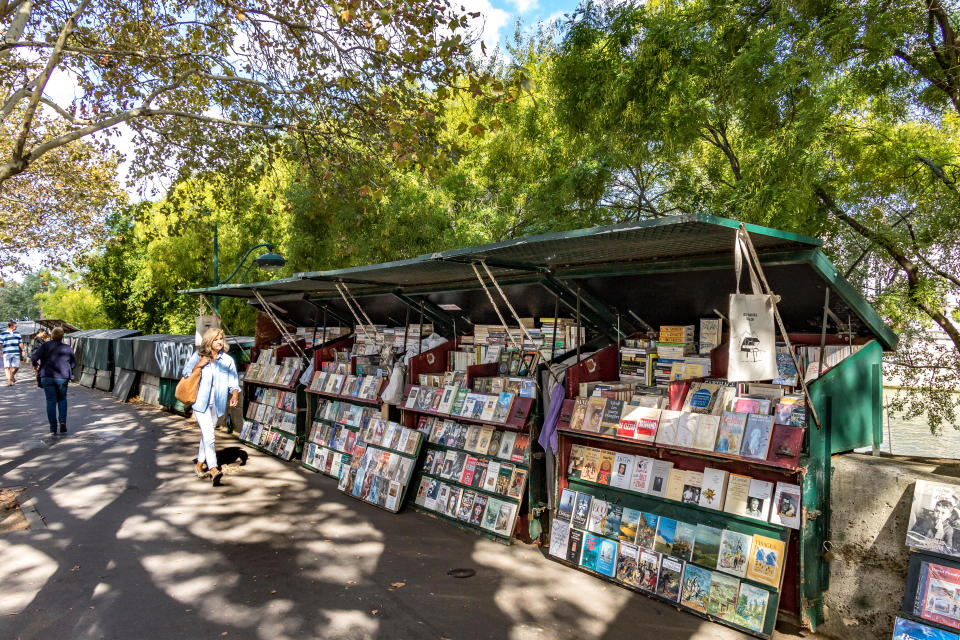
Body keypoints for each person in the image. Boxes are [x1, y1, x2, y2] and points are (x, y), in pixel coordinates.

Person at [181, 328, 239, 486]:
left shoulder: (227, 360)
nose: (220, 341)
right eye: (216, 339)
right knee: (209, 436)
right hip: (200, 402)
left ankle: (199, 465)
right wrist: (199, 365)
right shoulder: (198, 356)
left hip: (218, 403)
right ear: (209, 342)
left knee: (207, 436)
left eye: (221, 338)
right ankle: (213, 469)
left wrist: (234, 395)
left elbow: (234, 381)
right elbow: (186, 373)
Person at [30, 327, 76, 435]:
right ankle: (63, 422)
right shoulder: (67, 348)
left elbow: (34, 357)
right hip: (62, 377)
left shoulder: (45, 345)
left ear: (52, 336)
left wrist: (36, 365)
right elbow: (73, 363)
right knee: (62, 399)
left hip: (47, 376)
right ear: (62, 336)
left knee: (51, 402)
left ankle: (53, 428)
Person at [2, 320, 24, 386]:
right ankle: (9, 381)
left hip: (16, 352)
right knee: (7, 367)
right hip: (6, 353)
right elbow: (0, 343)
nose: (16, 327)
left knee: (17, 367)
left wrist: (23, 350)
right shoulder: (3, 333)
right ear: (11, 326)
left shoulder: (17, 333)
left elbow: (20, 342)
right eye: (15, 326)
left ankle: (11, 376)